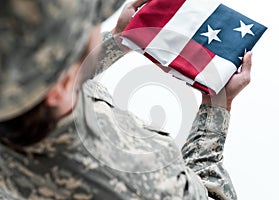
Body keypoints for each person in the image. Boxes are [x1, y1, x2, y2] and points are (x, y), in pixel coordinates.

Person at [0, 0, 253, 199]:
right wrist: (216, 108)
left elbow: (32, 83)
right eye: (89, 23)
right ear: (61, 87)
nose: (95, 29)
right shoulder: (138, 180)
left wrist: (118, 40)